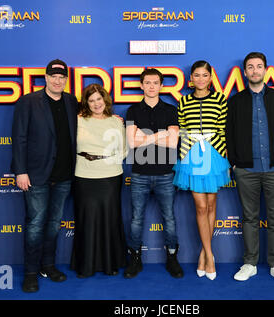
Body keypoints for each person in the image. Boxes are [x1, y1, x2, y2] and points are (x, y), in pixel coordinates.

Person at [226, 52, 274, 284]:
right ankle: (250, 263)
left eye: (259, 66)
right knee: (249, 219)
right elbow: (230, 135)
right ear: (244, 72)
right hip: (246, 170)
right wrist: (235, 163)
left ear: (266, 69)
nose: (255, 71)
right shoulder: (235, 101)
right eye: (250, 67)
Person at [11, 59, 78, 293]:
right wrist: (20, 170)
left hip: (64, 175)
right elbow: (18, 137)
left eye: (62, 77)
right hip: (36, 174)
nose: (58, 81)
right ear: (46, 78)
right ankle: (30, 272)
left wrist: (114, 120)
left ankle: (47, 266)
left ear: (66, 80)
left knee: (53, 225)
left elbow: (89, 120)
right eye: (54, 76)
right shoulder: (28, 102)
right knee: (35, 225)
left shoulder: (71, 101)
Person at [173, 61, 231, 280]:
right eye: (196, 75)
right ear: (191, 78)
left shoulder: (220, 99)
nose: (200, 79)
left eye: (204, 75)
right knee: (200, 206)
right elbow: (181, 129)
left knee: (211, 205)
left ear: (210, 77)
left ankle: (204, 255)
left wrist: (221, 152)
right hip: (192, 155)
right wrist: (188, 148)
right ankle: (209, 254)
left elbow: (223, 129)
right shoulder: (184, 101)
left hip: (214, 154)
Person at [124, 68, 183, 279]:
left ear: (161, 85)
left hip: (165, 173)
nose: (151, 86)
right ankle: (135, 259)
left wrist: (145, 136)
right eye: (147, 82)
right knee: (136, 219)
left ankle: (172, 258)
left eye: (155, 82)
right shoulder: (132, 111)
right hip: (139, 173)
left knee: (169, 218)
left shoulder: (170, 110)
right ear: (141, 85)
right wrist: (161, 134)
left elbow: (173, 142)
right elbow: (132, 143)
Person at [70, 83, 127, 278]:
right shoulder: (77, 121)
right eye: (91, 100)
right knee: (86, 219)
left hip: (111, 176)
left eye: (99, 99)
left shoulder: (116, 121)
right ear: (86, 103)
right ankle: (85, 265)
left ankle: (109, 264)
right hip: (84, 175)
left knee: (110, 219)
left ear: (105, 100)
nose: (96, 104)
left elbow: (124, 150)